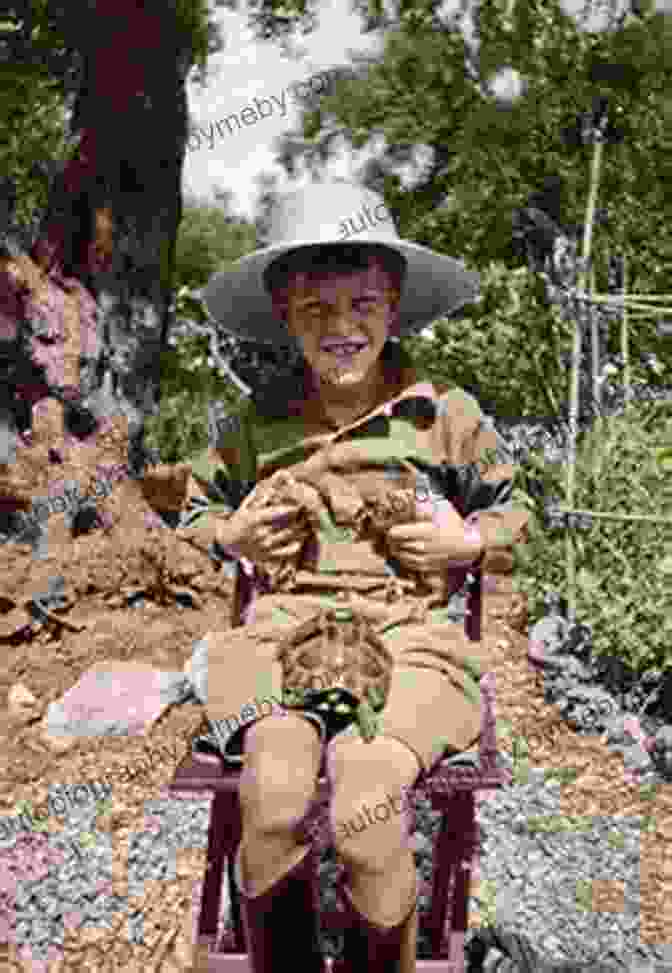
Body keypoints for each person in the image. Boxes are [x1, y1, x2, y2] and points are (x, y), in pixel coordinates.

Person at [187, 180, 530, 973]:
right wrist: (232, 531)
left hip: (413, 637)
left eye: (363, 303)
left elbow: (517, 516)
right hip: (280, 634)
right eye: (315, 309)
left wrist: (464, 538)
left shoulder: (442, 413)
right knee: (271, 796)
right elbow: (193, 516)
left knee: (367, 805)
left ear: (395, 302)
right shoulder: (254, 421)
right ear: (284, 312)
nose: (342, 328)